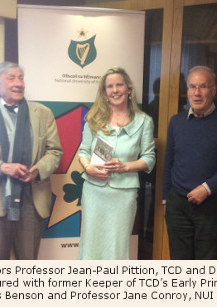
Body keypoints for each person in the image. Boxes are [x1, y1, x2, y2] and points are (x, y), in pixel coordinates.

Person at [0, 62, 63, 260]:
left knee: (27, 261)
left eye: (21, 78)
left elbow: (55, 151)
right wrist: (2, 167)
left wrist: (39, 169)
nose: (19, 83)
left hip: (31, 197)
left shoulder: (42, 113)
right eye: (12, 78)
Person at [163, 65, 217, 260]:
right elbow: (168, 163)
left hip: (211, 206)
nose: (197, 93)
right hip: (178, 207)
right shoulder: (176, 121)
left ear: (214, 90)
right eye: (192, 87)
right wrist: (166, 199)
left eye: (203, 87)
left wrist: (207, 188)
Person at [78, 66, 156, 260]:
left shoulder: (144, 121)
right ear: (104, 92)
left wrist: (125, 166)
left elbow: (149, 157)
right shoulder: (93, 119)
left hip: (123, 193)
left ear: (128, 89)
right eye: (110, 87)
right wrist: (88, 167)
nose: (115, 90)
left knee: (117, 246)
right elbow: (83, 151)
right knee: (90, 243)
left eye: (119, 85)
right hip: (94, 191)